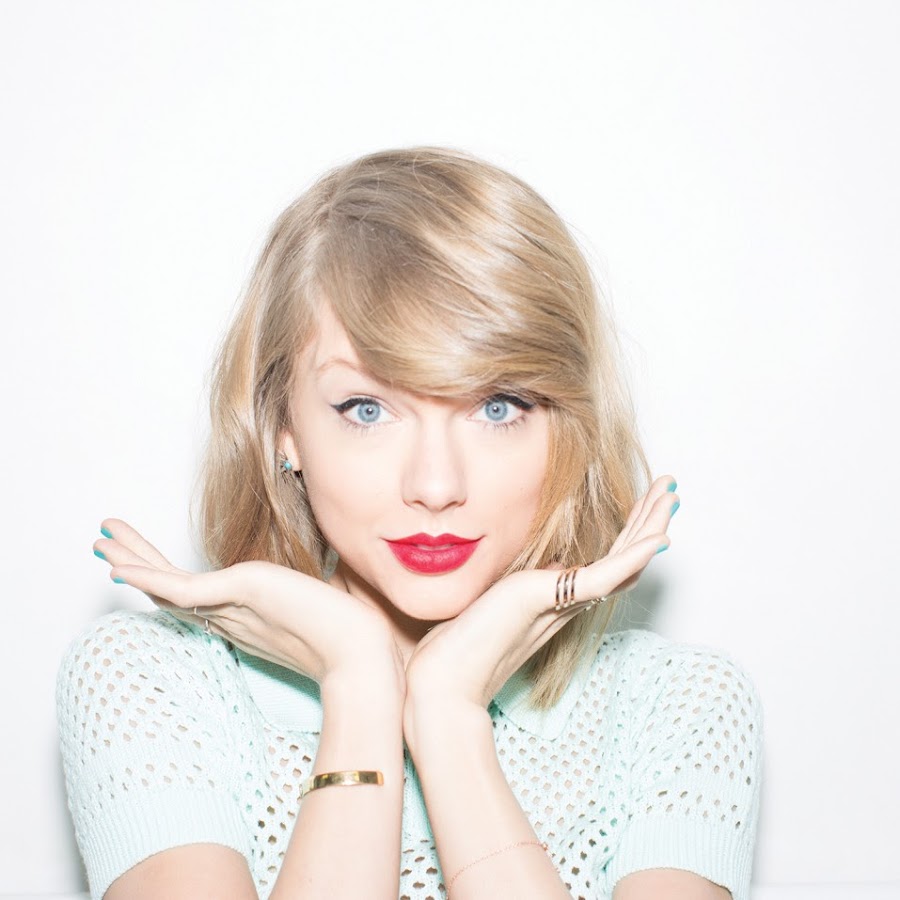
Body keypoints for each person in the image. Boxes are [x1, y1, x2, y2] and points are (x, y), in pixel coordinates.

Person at [57, 146, 762, 900]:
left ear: (569, 426)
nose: (435, 486)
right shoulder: (153, 683)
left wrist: (450, 716)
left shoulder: (677, 709)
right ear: (284, 429)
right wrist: (357, 683)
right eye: (367, 409)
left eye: (498, 407)